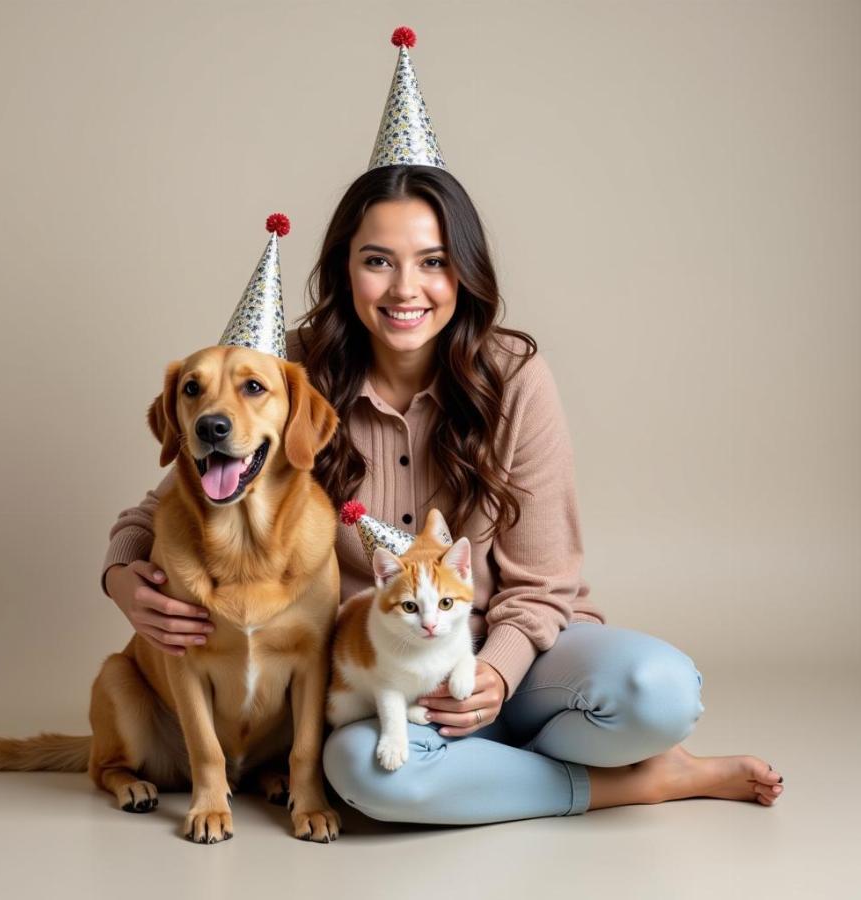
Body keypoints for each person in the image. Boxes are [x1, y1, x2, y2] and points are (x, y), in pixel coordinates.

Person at [103, 164, 785, 823]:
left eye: (433, 261)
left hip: (521, 657)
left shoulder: (513, 376)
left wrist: (497, 672)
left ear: (465, 270)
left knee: (658, 696)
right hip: (388, 680)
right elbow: (177, 498)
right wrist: (125, 581)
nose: (406, 288)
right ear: (347, 267)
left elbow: (546, 581)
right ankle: (638, 783)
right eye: (378, 260)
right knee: (366, 778)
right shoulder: (291, 378)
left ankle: (502, 760)